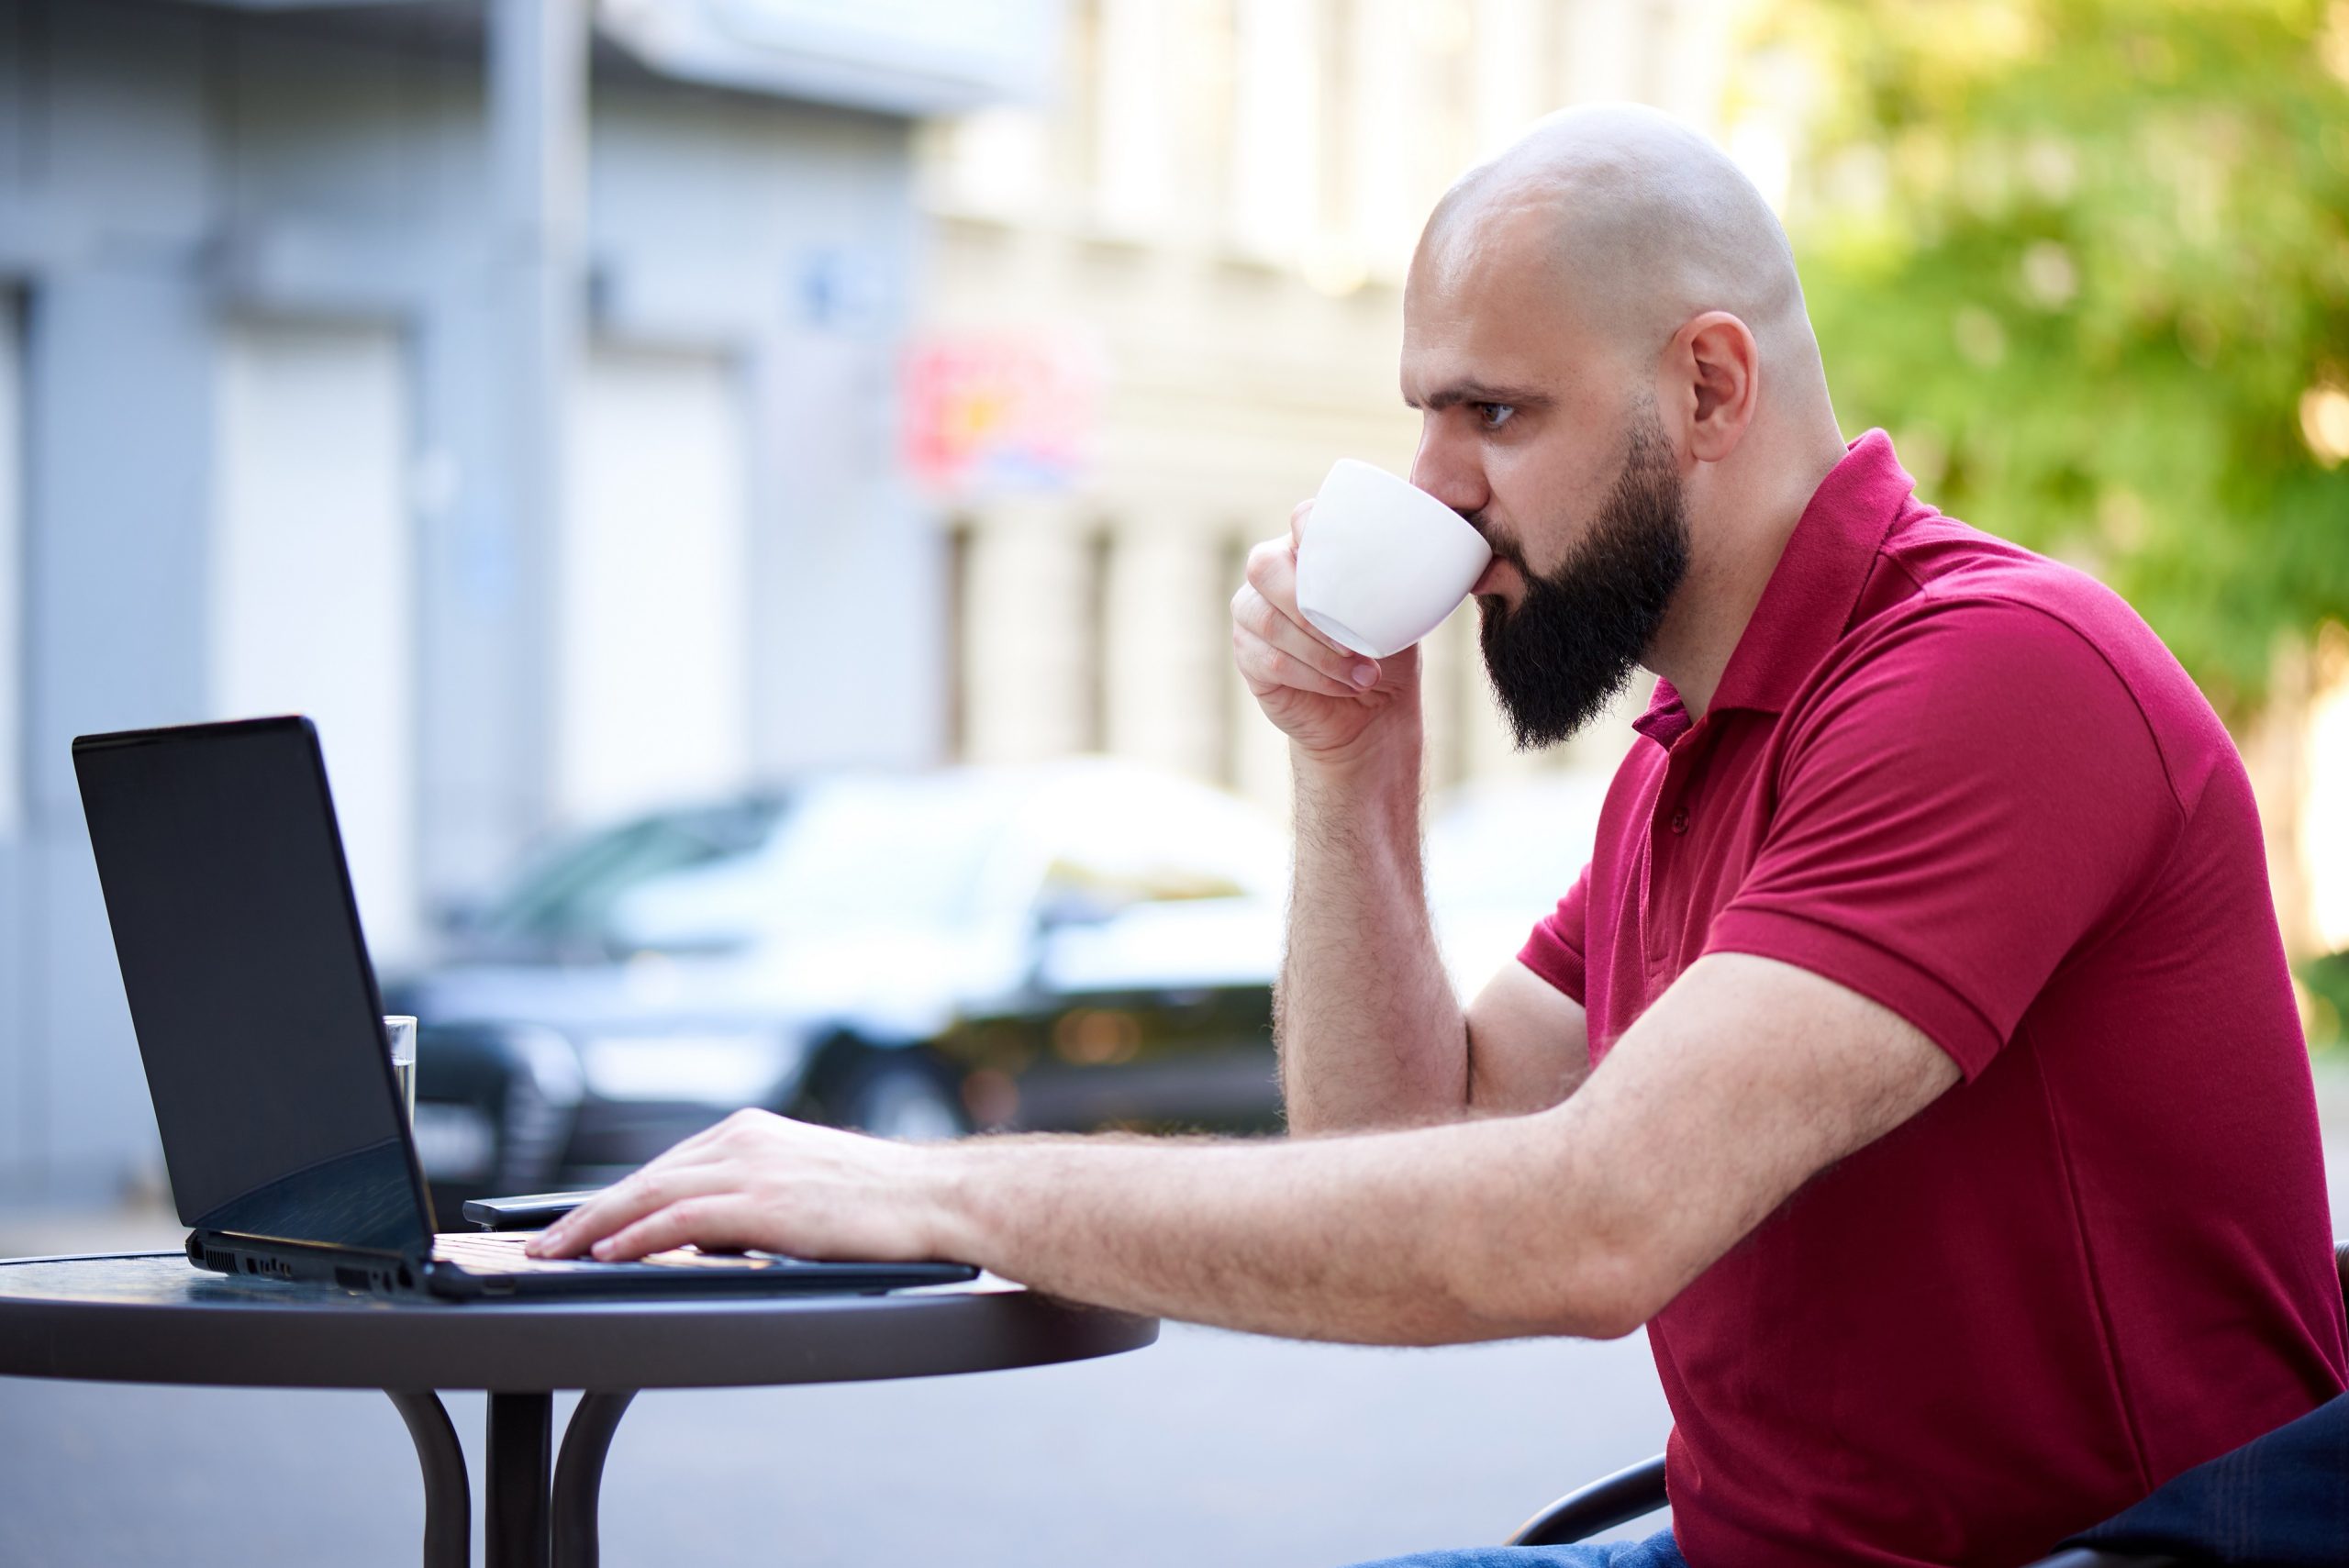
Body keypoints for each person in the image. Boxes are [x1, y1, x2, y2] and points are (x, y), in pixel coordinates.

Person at [529, 105, 2348, 1567]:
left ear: (1707, 390)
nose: (1431, 492)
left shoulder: (1986, 681)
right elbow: (1393, 1150)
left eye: (1492, 413)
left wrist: (928, 1188)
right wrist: (1347, 776)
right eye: (1423, 414)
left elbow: (1582, 1227)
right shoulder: (1687, 747)